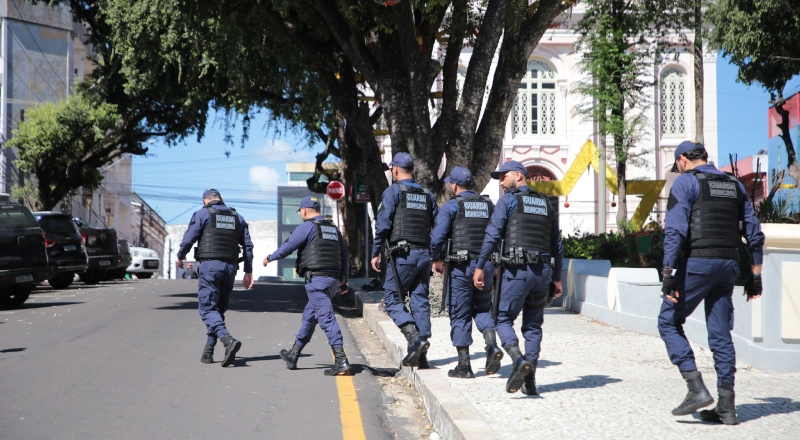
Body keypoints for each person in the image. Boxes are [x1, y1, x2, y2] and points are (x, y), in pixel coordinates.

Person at [658, 141, 764, 425]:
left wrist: (667, 272)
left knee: (668, 320)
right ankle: (727, 407)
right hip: (728, 266)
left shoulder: (685, 182)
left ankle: (696, 389)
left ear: (682, 160)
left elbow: (676, 230)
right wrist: (755, 275)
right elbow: (754, 231)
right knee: (720, 334)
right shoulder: (734, 184)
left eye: (678, 166)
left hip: (698, 264)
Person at [473, 160, 563, 395]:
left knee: (502, 319)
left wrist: (480, 266)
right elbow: (556, 244)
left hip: (516, 272)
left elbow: (492, 236)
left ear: (519, 176)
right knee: (533, 326)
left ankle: (518, 360)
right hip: (542, 273)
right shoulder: (546, 203)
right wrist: (557, 278)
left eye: (504, 177)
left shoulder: (508, 201)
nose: (501, 183)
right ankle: (529, 381)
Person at [264, 195, 352, 376]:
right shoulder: (332, 228)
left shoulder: (307, 227)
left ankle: (341, 359)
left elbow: (288, 246)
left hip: (317, 280)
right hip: (333, 281)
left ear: (304, 210)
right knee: (309, 318)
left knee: (327, 319)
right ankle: (293, 355)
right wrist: (344, 279)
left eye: (300, 212)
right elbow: (344, 255)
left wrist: (270, 257)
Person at [430, 166, 502, 378]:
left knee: (459, 313)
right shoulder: (489, 205)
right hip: (485, 265)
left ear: (454, 186)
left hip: (461, 267)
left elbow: (437, 237)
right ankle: (492, 345)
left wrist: (435, 258)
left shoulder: (451, 206)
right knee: (482, 308)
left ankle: (464, 366)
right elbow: (499, 235)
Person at [370, 152, 439, 368]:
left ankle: (414, 339)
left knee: (391, 301)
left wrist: (375, 252)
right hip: (424, 255)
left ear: (395, 170)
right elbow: (438, 227)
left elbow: (383, 225)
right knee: (419, 301)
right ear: (413, 170)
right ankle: (421, 355)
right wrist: (436, 255)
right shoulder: (427, 194)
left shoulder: (393, 191)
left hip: (402, 256)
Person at [177, 189, 254, 367]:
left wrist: (180, 256)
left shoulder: (202, 214)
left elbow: (189, 239)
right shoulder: (238, 217)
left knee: (207, 309)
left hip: (210, 267)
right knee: (217, 310)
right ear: (221, 199)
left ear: (205, 201)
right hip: (230, 269)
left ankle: (227, 340)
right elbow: (248, 246)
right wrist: (248, 271)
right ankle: (209, 350)